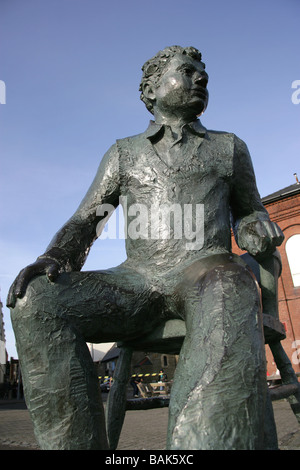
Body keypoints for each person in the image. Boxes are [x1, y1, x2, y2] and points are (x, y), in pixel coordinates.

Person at [7, 46, 283, 450]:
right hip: (136, 281)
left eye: (203, 74)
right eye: (187, 71)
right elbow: (87, 220)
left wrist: (256, 227)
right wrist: (53, 256)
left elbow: (250, 212)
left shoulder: (229, 148)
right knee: (36, 301)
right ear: (152, 89)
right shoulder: (124, 153)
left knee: (228, 285)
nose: (201, 78)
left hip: (206, 271)